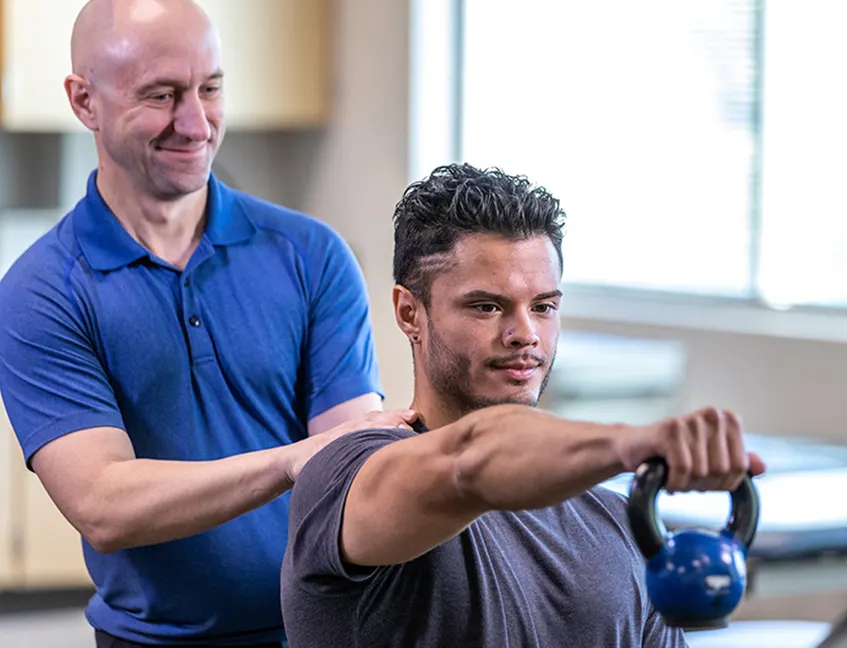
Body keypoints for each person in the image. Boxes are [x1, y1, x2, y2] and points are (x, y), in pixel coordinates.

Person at [0, 0, 415, 646]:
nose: (195, 122)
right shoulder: (42, 292)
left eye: (210, 88)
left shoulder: (311, 255)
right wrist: (287, 464)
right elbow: (104, 504)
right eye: (161, 95)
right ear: (85, 102)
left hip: (321, 631)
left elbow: (344, 469)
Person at [281, 163, 768, 647]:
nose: (525, 335)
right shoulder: (345, 476)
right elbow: (470, 460)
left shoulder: (616, 524)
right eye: (487, 307)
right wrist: (634, 443)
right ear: (410, 313)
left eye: (543, 307)